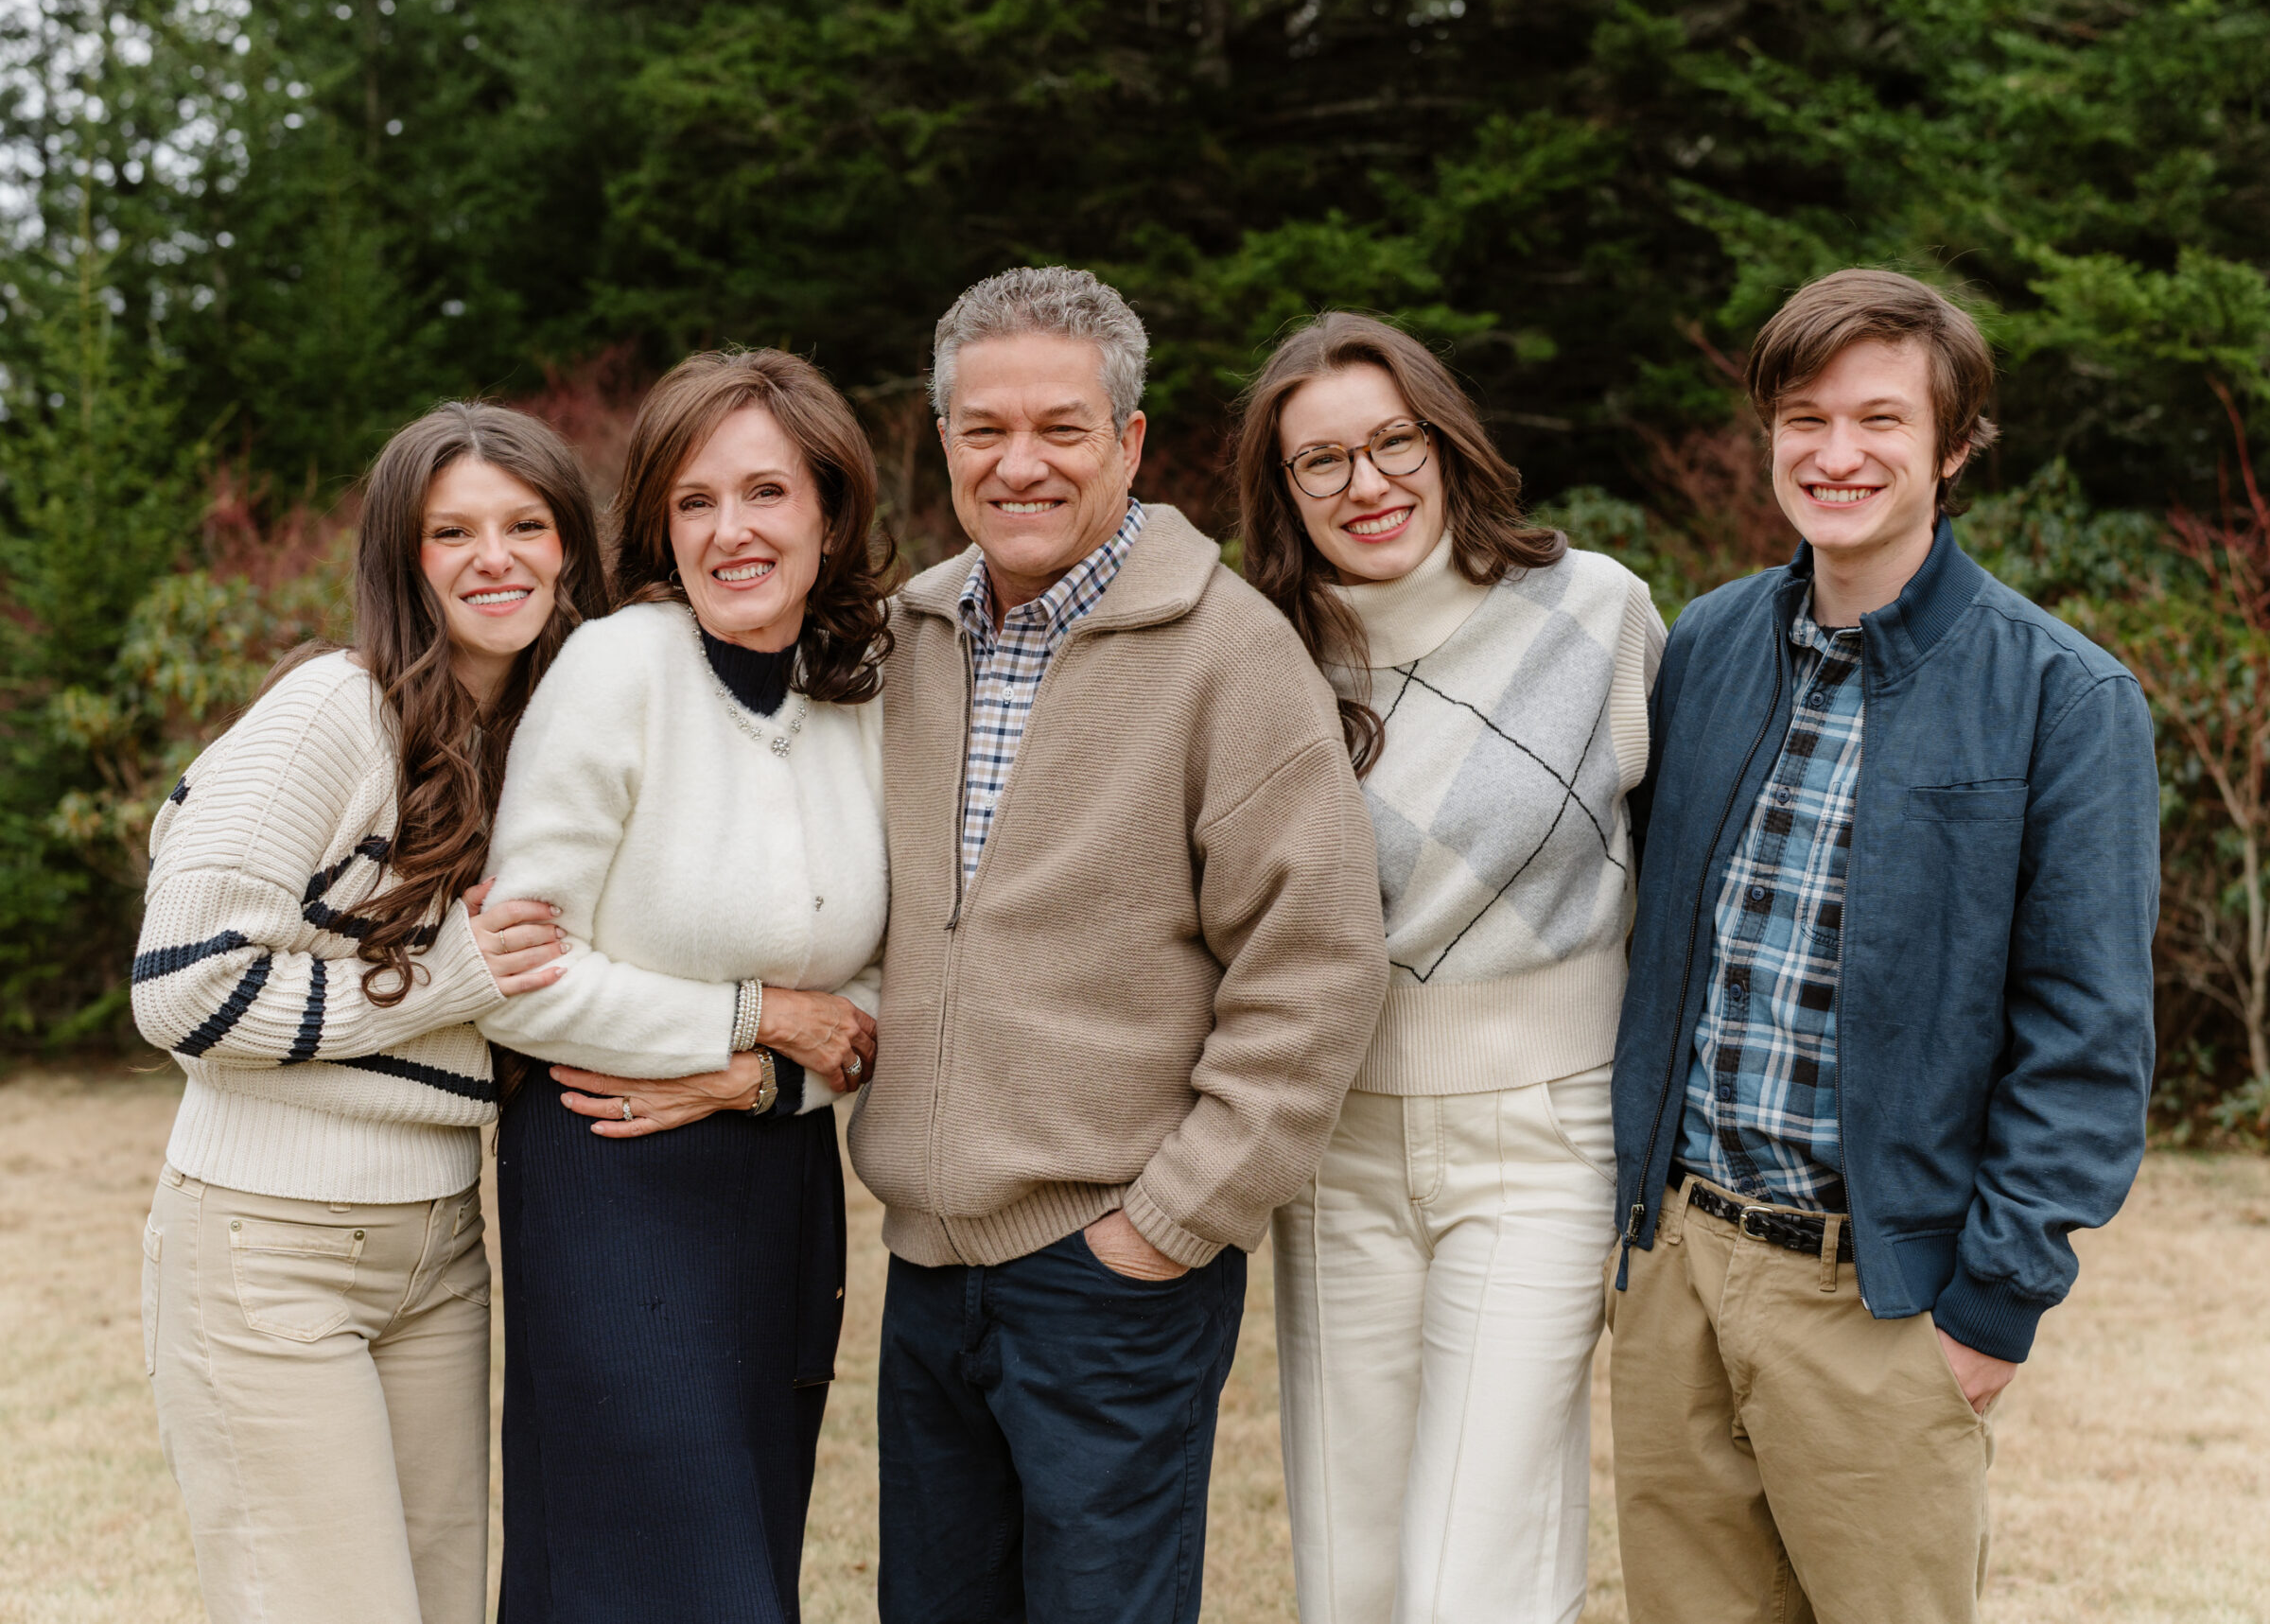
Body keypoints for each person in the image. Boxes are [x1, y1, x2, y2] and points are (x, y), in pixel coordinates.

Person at [1607, 269, 2160, 1623]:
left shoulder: (2065, 694)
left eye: (1880, 420)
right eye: (1804, 416)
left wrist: (1993, 1310)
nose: (1835, 453)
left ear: (1954, 446)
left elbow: (2088, 1034)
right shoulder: (1710, 642)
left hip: (1881, 1301)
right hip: (1679, 1269)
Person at [847, 266, 1389, 1624]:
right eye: (983, 429)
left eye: (1059, 428)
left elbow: (1314, 966)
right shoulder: (907, 640)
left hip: (1113, 1273)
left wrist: (1169, 1221)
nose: (1017, 462)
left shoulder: (1229, 651)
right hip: (925, 1264)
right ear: (944, 439)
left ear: (1130, 442)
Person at [131, 404, 606, 1624]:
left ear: (570, 550)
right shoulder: (329, 712)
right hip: (268, 1247)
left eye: (526, 525)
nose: (493, 557)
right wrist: (446, 982)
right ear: (404, 557)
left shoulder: (546, 740)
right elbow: (180, 982)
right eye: (452, 531)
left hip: (441, 1246)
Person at [1232, 312, 1665, 1624]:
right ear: (1283, 491)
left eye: (1392, 443)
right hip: (1337, 1144)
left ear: (1446, 441)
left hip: (1540, 1139)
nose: (1367, 485)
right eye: (1323, 463)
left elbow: (1678, 873)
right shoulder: (1261, 655)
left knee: (1475, 1573)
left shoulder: (1596, 613)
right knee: (1350, 1577)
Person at [476, 348, 892, 1624]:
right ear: (660, 523)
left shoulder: (856, 698)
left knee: (736, 1556)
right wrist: (753, 1020)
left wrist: (768, 1083)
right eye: (695, 500)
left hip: (778, 1192)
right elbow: (516, 981)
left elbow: (878, 981)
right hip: (615, 1177)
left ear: (827, 510)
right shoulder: (617, 670)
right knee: (684, 1583)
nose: (732, 531)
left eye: (766, 493)